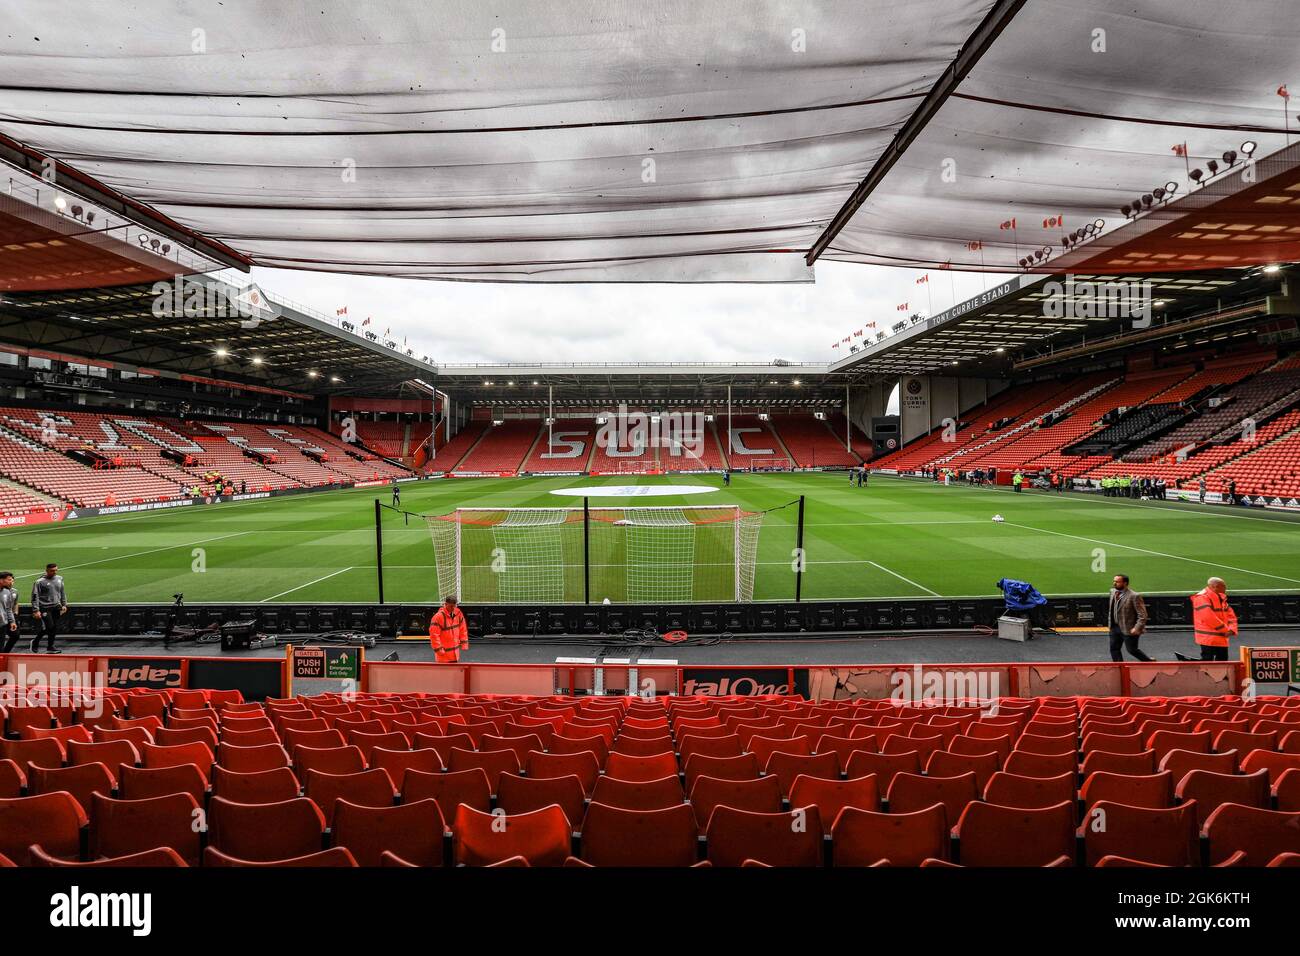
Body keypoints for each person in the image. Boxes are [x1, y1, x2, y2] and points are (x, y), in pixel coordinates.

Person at [1190, 576, 1237, 662]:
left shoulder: (1220, 597)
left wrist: (1232, 629)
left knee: (1222, 663)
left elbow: (1231, 615)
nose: (1225, 588)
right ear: (1215, 586)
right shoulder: (1202, 597)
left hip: (1219, 638)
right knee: (1208, 663)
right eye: (1223, 586)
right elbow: (1208, 617)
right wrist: (1225, 630)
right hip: (1209, 638)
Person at [1108, 574, 1151, 662]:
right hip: (1114, 627)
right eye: (1114, 581)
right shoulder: (1113, 592)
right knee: (1114, 649)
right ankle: (1120, 668)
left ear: (1125, 583)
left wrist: (1137, 628)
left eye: (1117, 582)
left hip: (1129, 628)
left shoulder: (1134, 596)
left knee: (1132, 650)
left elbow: (1143, 615)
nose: (1114, 583)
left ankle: (1149, 662)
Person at [30, 563, 67, 654]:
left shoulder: (59, 578)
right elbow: (35, 596)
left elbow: (62, 592)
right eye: (52, 571)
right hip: (44, 608)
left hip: (56, 607)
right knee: (49, 627)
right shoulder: (39, 582)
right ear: (46, 571)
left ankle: (50, 647)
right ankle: (35, 641)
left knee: (53, 627)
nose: (54, 572)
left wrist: (64, 604)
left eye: (56, 570)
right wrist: (36, 610)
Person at [428, 595, 468, 663]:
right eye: (451, 606)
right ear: (445, 604)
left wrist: (464, 644)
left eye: (454, 606)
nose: (453, 608)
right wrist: (439, 650)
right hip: (443, 657)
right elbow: (434, 635)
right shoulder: (438, 617)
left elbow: (463, 629)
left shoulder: (458, 613)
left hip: (455, 655)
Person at [0, 572, 19, 653]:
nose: (11, 582)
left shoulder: (7, 592)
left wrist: (12, 621)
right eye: (9, 580)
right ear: (1, 580)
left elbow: (8, 609)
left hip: (2, 624)